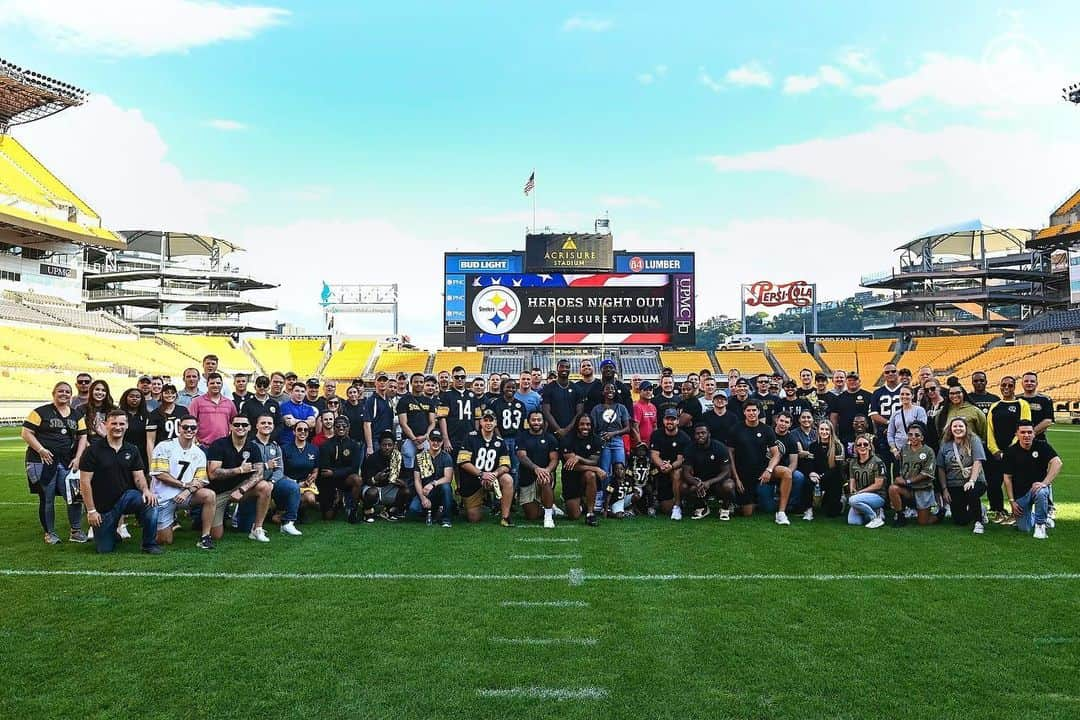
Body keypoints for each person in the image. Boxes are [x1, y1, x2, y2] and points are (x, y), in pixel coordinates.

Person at [79, 410, 162, 554]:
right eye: (114, 424)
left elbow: (138, 476)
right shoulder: (92, 451)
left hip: (127, 497)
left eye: (122, 424)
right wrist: (91, 511)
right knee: (104, 549)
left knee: (151, 503)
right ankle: (112, 533)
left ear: (127, 426)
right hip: (103, 506)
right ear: (105, 425)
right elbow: (85, 482)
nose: (118, 427)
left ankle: (149, 544)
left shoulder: (132, 449)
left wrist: (146, 491)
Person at [22, 382, 88, 544]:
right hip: (41, 461)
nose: (64, 394)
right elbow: (26, 433)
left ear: (71, 395)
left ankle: (76, 530)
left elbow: (83, 436)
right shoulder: (40, 412)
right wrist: (41, 450)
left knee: (74, 496)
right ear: (53, 393)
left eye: (67, 391)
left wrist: (78, 457)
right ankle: (49, 533)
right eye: (60, 391)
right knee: (47, 497)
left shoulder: (76, 415)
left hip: (67, 461)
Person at [149, 417, 216, 548]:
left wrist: (186, 491)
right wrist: (183, 485)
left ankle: (205, 537)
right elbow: (160, 474)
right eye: (185, 427)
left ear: (197, 430)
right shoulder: (164, 446)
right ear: (179, 428)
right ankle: (164, 522)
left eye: (193, 428)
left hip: (186, 495)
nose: (189, 430)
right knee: (165, 540)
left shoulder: (199, 453)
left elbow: (200, 480)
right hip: (163, 496)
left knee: (210, 495)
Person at [205, 415, 270, 542]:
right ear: (230, 426)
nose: (240, 427)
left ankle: (257, 529)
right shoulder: (219, 444)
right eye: (237, 425)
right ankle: (203, 518)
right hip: (218, 493)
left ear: (250, 427)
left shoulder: (253, 447)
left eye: (244, 425)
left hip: (240, 490)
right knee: (216, 535)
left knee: (265, 486)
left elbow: (259, 474)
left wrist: (241, 490)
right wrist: (239, 470)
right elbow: (213, 473)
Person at [728, 400, 792, 525]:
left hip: (762, 471)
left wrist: (769, 469)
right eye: (749, 410)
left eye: (754, 410)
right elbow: (730, 455)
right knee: (747, 513)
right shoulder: (736, 429)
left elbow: (776, 454)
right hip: (743, 473)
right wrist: (736, 478)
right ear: (744, 412)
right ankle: (742, 501)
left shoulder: (767, 429)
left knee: (786, 472)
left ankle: (781, 513)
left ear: (758, 412)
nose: (751, 413)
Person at [1002, 421, 1061, 540]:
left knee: (1042, 491)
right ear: (1017, 434)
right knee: (1024, 528)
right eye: (1023, 432)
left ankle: (1040, 525)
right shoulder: (1010, 451)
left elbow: (1057, 462)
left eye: (1029, 432)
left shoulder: (1042, 446)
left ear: (1034, 434)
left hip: (1037, 489)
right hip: (1021, 494)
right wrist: (1012, 501)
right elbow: (1007, 478)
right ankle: (1041, 518)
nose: (1026, 435)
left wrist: (1044, 483)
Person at [986, 377, 1031, 525]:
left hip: (1015, 452)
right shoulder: (995, 406)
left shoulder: (1021, 404)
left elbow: (1023, 427)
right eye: (1003, 385)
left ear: (1014, 387)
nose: (1006, 388)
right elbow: (989, 430)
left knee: (1016, 483)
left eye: (1010, 385)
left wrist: (1011, 449)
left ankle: (1016, 513)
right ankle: (998, 510)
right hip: (997, 454)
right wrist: (995, 450)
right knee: (994, 483)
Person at [248, 414, 302, 535]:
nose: (266, 425)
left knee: (293, 487)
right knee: (244, 527)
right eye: (263, 423)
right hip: (253, 483)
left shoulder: (275, 445)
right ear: (256, 425)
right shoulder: (250, 444)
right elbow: (248, 468)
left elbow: (279, 469)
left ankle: (288, 523)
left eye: (269, 423)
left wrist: (272, 482)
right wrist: (266, 466)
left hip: (272, 482)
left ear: (273, 426)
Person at [456, 411, 513, 525]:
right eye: (485, 420)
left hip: (492, 479)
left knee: (507, 479)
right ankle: (480, 502)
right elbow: (463, 462)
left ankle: (505, 517)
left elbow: (506, 465)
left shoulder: (500, 442)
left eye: (491, 420)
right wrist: (482, 474)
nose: (488, 423)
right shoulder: (470, 437)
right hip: (472, 480)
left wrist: (494, 474)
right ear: (480, 422)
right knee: (474, 518)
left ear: (495, 423)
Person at [937, 417, 987, 534]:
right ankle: (980, 509)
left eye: (960, 426)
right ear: (950, 429)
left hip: (974, 481)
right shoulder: (945, 444)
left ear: (966, 428)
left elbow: (978, 461)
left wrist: (972, 481)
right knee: (960, 520)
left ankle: (978, 522)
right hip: (954, 483)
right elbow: (941, 467)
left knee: (972, 491)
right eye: (955, 426)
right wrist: (944, 489)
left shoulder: (974, 440)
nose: (958, 428)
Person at [888, 422, 938, 527]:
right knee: (893, 488)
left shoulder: (929, 451)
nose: (913, 437)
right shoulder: (904, 449)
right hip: (908, 489)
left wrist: (907, 481)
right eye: (910, 434)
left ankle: (938, 514)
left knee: (923, 522)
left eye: (917, 435)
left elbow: (927, 474)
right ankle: (900, 516)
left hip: (922, 488)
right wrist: (900, 479)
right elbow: (901, 467)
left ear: (922, 437)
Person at [590, 382, 631, 508]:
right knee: (605, 470)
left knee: (620, 469)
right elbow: (593, 428)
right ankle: (604, 499)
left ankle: (619, 498)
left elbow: (628, 428)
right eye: (607, 389)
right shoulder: (597, 409)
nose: (610, 391)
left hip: (617, 440)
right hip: (603, 442)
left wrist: (614, 433)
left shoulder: (621, 407)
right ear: (603, 392)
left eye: (613, 389)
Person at [516, 410, 560, 527]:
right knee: (532, 516)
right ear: (528, 422)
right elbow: (522, 456)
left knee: (545, 479)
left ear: (543, 422)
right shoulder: (522, 437)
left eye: (539, 420)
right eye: (533, 420)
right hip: (527, 477)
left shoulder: (550, 438)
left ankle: (548, 516)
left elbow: (554, 459)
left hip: (544, 475)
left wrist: (547, 471)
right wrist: (536, 469)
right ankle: (548, 506)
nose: (536, 422)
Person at [559, 414, 604, 526]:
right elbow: (572, 466)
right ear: (577, 425)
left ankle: (590, 513)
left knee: (591, 475)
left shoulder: (596, 439)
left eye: (588, 424)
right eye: (582, 424)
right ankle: (579, 502)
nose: (585, 427)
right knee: (574, 516)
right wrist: (595, 468)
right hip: (570, 476)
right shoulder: (567, 439)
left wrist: (578, 457)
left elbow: (594, 460)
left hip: (585, 476)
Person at [318, 415, 365, 522]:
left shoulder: (354, 445)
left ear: (348, 428)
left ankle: (353, 510)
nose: (341, 428)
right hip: (329, 482)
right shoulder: (325, 445)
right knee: (328, 517)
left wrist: (334, 472)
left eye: (344, 426)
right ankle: (336, 502)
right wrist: (335, 473)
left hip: (345, 480)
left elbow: (354, 468)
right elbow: (325, 470)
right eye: (338, 426)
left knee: (357, 479)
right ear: (334, 428)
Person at [682, 423, 733, 520]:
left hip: (717, 482)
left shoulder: (720, 447)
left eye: (703, 433)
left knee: (729, 485)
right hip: (700, 483)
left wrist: (710, 482)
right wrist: (697, 483)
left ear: (709, 434)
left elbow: (726, 471)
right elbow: (686, 472)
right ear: (694, 435)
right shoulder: (690, 449)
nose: (700, 435)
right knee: (684, 486)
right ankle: (702, 507)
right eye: (697, 433)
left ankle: (725, 508)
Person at [650, 408, 690, 520]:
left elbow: (680, 459)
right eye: (667, 419)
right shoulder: (657, 434)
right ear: (663, 420)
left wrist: (671, 466)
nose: (670, 422)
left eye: (673, 419)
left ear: (677, 421)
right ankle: (658, 501)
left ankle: (677, 506)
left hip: (676, 470)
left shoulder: (684, 437)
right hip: (661, 469)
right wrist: (662, 465)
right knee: (666, 509)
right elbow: (654, 454)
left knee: (676, 473)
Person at [408, 430, 455, 526]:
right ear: (429, 441)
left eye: (438, 441)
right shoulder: (420, 457)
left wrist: (433, 484)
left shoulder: (446, 457)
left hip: (439, 491)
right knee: (414, 508)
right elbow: (417, 480)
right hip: (425, 492)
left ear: (442, 442)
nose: (436, 443)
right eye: (433, 440)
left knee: (446, 487)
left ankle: (446, 519)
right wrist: (423, 498)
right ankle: (434, 512)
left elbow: (448, 478)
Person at [486, 378, 527, 486]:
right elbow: (493, 424)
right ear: (502, 388)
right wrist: (500, 439)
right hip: (500, 438)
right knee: (499, 466)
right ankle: (498, 495)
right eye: (508, 387)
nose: (511, 389)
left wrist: (521, 440)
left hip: (516, 439)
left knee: (514, 467)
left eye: (513, 387)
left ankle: (513, 493)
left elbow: (524, 425)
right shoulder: (495, 403)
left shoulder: (520, 405)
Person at [360, 430, 407, 522]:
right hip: (373, 487)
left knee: (406, 491)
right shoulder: (372, 458)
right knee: (372, 492)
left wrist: (401, 483)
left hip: (389, 488)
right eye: (384, 445)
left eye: (390, 445)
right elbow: (365, 479)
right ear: (380, 445)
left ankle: (390, 511)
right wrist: (375, 479)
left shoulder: (398, 458)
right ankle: (367, 511)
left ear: (394, 445)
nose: (387, 448)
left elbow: (404, 477)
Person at [397, 372, 436, 476]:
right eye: (416, 382)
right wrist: (414, 439)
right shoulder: (404, 401)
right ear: (411, 383)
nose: (419, 384)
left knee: (425, 471)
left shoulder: (429, 401)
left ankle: (423, 491)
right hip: (409, 440)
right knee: (409, 470)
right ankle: (410, 491)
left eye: (421, 382)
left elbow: (432, 422)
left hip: (425, 440)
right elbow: (403, 423)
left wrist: (426, 436)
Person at [772, 412, 809, 519]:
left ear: (790, 425)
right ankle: (775, 499)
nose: (783, 424)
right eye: (781, 421)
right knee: (767, 507)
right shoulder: (768, 433)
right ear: (776, 420)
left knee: (798, 476)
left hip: (783, 469)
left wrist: (787, 473)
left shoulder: (792, 439)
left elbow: (793, 462)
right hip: (766, 470)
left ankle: (790, 504)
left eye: (786, 422)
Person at [846, 434, 887, 528]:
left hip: (877, 495)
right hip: (859, 496)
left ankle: (875, 518)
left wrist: (859, 493)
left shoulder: (878, 462)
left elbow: (878, 485)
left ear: (870, 446)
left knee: (853, 500)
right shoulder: (853, 462)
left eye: (865, 444)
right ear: (855, 447)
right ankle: (874, 511)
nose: (862, 446)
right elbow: (852, 480)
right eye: (859, 445)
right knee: (853, 522)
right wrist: (853, 490)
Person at [281, 419, 320, 519]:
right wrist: (295, 483)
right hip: (289, 482)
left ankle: (298, 511)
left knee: (310, 499)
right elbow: (280, 471)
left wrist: (313, 476)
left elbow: (316, 469)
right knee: (276, 519)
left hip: (306, 483)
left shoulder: (314, 449)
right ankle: (284, 511)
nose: (303, 432)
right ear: (294, 432)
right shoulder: (284, 449)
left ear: (308, 432)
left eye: (305, 430)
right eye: (299, 429)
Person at [188, 373, 238, 449]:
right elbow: (190, 423)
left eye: (218, 383)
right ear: (207, 385)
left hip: (224, 446)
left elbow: (235, 423)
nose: (215, 385)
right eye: (212, 383)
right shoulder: (197, 402)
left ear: (222, 385)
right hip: (203, 446)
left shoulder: (229, 403)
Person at [869, 363, 903, 474]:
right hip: (883, 435)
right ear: (883, 375)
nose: (890, 374)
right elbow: (874, 414)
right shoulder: (877, 392)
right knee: (884, 469)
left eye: (893, 371)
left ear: (897, 373)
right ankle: (885, 490)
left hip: (902, 435)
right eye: (887, 372)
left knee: (901, 468)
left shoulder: (905, 390)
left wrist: (895, 426)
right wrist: (890, 424)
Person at [808, 420, 846, 518]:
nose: (824, 432)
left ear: (831, 431)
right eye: (822, 429)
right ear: (818, 431)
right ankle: (807, 508)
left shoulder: (838, 446)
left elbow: (838, 468)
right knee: (806, 481)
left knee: (832, 513)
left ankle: (840, 500)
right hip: (817, 476)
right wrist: (811, 472)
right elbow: (810, 463)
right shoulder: (813, 445)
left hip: (833, 478)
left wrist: (822, 476)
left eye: (826, 429)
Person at [542, 359, 582, 440]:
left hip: (572, 432)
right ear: (557, 369)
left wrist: (567, 430)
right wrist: (558, 429)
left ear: (570, 369)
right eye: (562, 367)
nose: (564, 369)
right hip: (552, 432)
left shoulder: (577, 388)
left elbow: (579, 412)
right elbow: (546, 411)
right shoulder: (548, 388)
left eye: (567, 367)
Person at [886, 386, 927, 463]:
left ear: (913, 396)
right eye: (902, 394)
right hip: (898, 453)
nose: (904, 396)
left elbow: (921, 430)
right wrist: (894, 449)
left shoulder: (919, 410)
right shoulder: (895, 414)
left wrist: (909, 447)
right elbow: (890, 433)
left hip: (915, 450)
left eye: (907, 394)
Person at [145, 383, 191, 450]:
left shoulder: (183, 410)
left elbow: (189, 432)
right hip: (162, 451)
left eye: (172, 393)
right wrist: (151, 459)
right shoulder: (154, 414)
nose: (170, 395)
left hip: (180, 450)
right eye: (166, 393)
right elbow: (150, 441)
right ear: (161, 395)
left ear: (176, 394)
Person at [830, 372, 871, 445]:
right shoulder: (839, 398)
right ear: (846, 381)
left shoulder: (869, 396)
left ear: (859, 381)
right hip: (845, 436)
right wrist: (834, 434)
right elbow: (834, 417)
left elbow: (873, 416)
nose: (852, 382)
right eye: (849, 380)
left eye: (855, 380)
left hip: (866, 436)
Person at [118, 387, 150, 469]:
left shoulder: (147, 415)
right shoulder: (119, 414)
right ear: (126, 398)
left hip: (142, 454)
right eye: (131, 396)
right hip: (122, 451)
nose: (134, 399)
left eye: (137, 397)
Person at [364, 373, 395, 455]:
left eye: (384, 380)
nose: (382, 382)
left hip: (389, 440)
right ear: (375, 382)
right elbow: (367, 424)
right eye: (379, 380)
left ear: (388, 383)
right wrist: (370, 446)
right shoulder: (371, 401)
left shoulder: (389, 400)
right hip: (377, 441)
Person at [280, 380, 317, 446]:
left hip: (303, 444)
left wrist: (295, 420)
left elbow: (313, 423)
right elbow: (290, 423)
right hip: (287, 443)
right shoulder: (284, 406)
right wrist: (306, 422)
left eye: (302, 391)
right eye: (297, 391)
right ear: (291, 392)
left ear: (305, 393)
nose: (300, 393)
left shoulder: (309, 408)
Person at [1019, 372, 1054, 437]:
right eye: (1026, 381)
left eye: (1032, 381)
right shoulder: (1016, 399)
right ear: (1022, 383)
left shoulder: (1045, 399)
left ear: (1036, 383)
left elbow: (1048, 421)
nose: (1029, 383)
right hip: (1017, 439)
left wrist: (1030, 434)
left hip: (1038, 438)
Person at [83, 379, 115, 445]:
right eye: (97, 389)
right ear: (91, 391)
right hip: (88, 446)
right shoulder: (81, 408)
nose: (100, 392)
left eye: (103, 390)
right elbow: (79, 432)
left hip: (108, 445)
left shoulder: (113, 409)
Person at [631, 380, 658, 446]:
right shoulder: (636, 406)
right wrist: (639, 443)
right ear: (640, 391)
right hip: (640, 446)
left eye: (650, 390)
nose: (648, 392)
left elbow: (654, 426)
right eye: (645, 390)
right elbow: (634, 428)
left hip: (651, 444)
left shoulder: (653, 407)